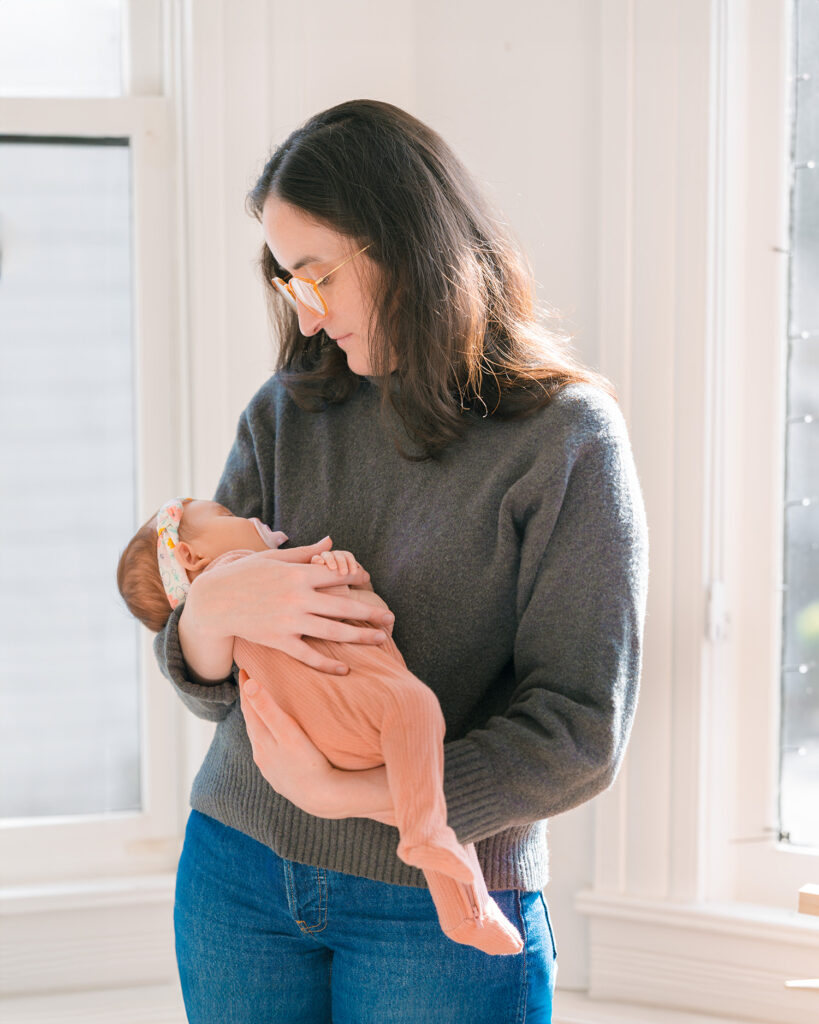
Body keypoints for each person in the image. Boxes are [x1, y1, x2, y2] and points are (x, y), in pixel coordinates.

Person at [151, 98, 649, 1024]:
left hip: (437, 912)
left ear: (404, 243)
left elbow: (579, 731)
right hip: (237, 871)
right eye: (284, 282)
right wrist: (210, 620)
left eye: (317, 275)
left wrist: (358, 797)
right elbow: (210, 679)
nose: (303, 315)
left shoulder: (567, 442)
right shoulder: (287, 411)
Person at [116, 496, 525, 956]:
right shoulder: (238, 568)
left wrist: (351, 579)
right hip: (344, 710)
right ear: (191, 557)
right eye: (227, 517)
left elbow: (364, 611)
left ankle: (467, 911)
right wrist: (338, 570)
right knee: (417, 710)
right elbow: (362, 608)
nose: (251, 516)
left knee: (421, 807)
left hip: (314, 739)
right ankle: (438, 855)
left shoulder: (230, 607)